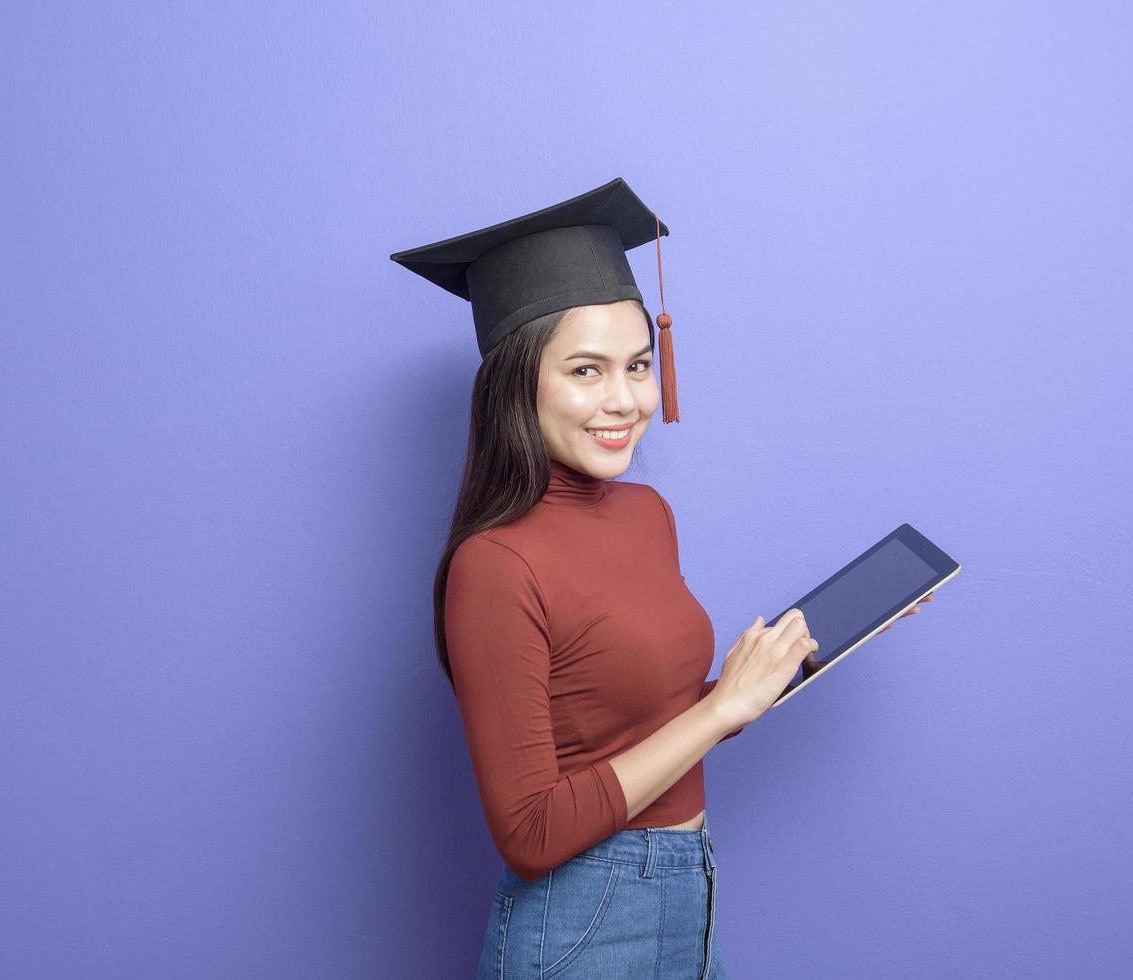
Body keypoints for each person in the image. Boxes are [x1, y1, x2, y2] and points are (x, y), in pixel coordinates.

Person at [390, 178, 927, 978]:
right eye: (584, 370)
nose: (624, 400)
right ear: (517, 382)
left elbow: (644, 722)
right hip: (583, 916)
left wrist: (763, 680)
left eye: (638, 365)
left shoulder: (647, 514)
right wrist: (719, 717)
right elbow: (530, 834)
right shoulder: (494, 565)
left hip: (688, 888)